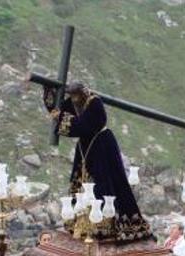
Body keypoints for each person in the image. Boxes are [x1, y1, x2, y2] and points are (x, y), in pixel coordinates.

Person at [44, 82, 151, 241]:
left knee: (103, 182)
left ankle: (105, 224)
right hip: (86, 147)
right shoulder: (76, 103)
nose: (72, 101)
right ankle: (82, 221)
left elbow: (84, 126)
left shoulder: (95, 103)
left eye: (75, 97)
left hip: (102, 147)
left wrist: (60, 116)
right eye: (71, 97)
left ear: (81, 94)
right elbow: (59, 109)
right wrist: (49, 91)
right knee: (82, 183)